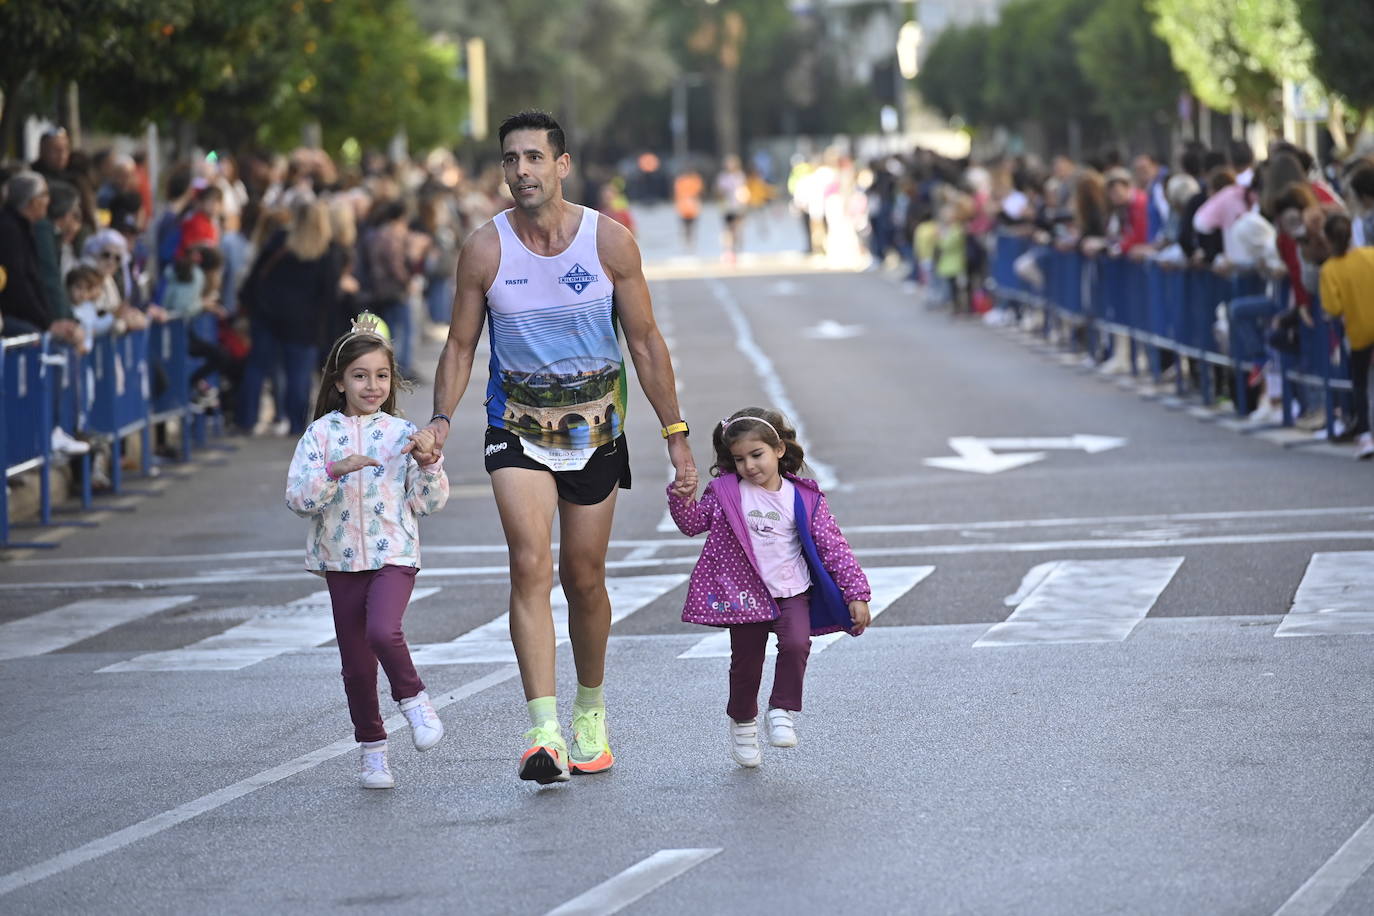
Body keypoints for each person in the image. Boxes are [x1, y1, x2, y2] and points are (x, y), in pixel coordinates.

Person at [410, 109, 696, 785]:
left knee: (584, 579)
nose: (522, 171)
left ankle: (590, 710)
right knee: (530, 563)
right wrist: (442, 421)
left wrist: (676, 435)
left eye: (535, 158)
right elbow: (459, 344)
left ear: (562, 165)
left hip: (596, 433)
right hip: (517, 431)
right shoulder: (485, 248)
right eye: (511, 159)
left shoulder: (610, 243)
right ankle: (542, 729)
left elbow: (647, 343)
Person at [284, 314, 451, 788]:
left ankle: (415, 701)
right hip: (340, 561)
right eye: (359, 376)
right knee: (356, 668)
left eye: (381, 375)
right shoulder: (319, 435)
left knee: (383, 630)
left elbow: (428, 502)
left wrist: (429, 462)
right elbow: (298, 499)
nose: (372, 385)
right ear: (339, 383)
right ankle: (373, 752)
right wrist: (336, 470)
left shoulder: (403, 433)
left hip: (394, 554)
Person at [665, 409, 871, 768]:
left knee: (796, 644)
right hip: (745, 596)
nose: (749, 466)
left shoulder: (803, 497)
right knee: (746, 666)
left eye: (756, 455)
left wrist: (856, 594)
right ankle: (743, 725)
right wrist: (681, 496)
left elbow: (833, 546)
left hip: (792, 590)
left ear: (778, 449)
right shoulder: (727, 492)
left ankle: (782, 709)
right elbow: (694, 524)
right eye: (739, 459)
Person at [1318, 214, 1374, 459]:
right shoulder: (1370, 255)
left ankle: (1365, 434)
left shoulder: (1330, 269)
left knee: (1360, 383)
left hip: (1359, 330)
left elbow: (1332, 307)